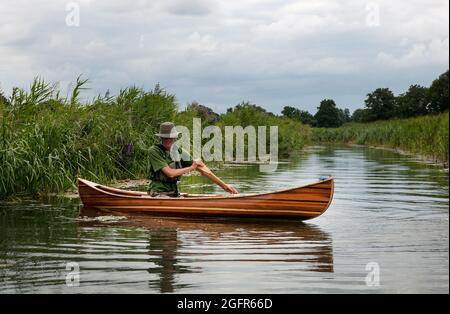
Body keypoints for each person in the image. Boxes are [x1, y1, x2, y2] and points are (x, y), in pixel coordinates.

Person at [148, 122, 237, 197]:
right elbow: (170, 173)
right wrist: (191, 167)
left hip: (173, 193)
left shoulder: (178, 151)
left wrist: (224, 186)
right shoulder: (154, 151)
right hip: (158, 193)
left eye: (170, 137)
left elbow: (201, 167)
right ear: (161, 138)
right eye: (165, 137)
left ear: (175, 137)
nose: (167, 140)